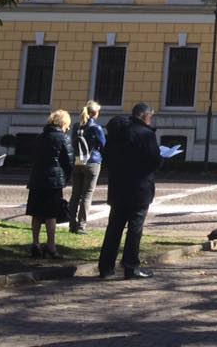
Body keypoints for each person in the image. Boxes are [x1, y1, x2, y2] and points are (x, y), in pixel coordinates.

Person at [98, 102, 161, 279]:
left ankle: (105, 268)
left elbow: (107, 157)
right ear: (145, 116)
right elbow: (154, 159)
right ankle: (130, 267)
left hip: (118, 187)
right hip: (139, 189)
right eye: (151, 117)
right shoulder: (146, 134)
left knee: (114, 228)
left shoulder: (117, 132)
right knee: (135, 229)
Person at [26, 109, 74, 258]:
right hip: (53, 181)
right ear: (64, 123)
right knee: (51, 214)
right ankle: (51, 246)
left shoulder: (40, 136)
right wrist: (64, 178)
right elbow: (69, 161)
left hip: (37, 178)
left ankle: (35, 244)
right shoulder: (63, 138)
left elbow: (33, 156)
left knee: (36, 212)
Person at [69, 100, 106, 234]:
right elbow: (103, 145)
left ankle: (71, 224)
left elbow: (73, 143)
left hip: (78, 161)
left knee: (75, 195)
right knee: (87, 195)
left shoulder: (76, 126)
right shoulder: (96, 128)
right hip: (92, 162)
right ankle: (81, 226)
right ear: (95, 113)